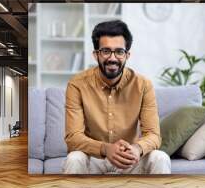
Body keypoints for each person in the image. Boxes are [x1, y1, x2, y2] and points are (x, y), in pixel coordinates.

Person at [63, 20, 171, 174]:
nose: (112, 58)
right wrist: (106, 149)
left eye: (119, 51)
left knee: (160, 158)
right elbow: (73, 138)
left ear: (127, 55)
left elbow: (153, 135)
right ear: (96, 55)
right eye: (106, 51)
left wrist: (137, 148)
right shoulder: (77, 85)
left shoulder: (143, 85)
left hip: (130, 158)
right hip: (95, 158)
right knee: (74, 158)